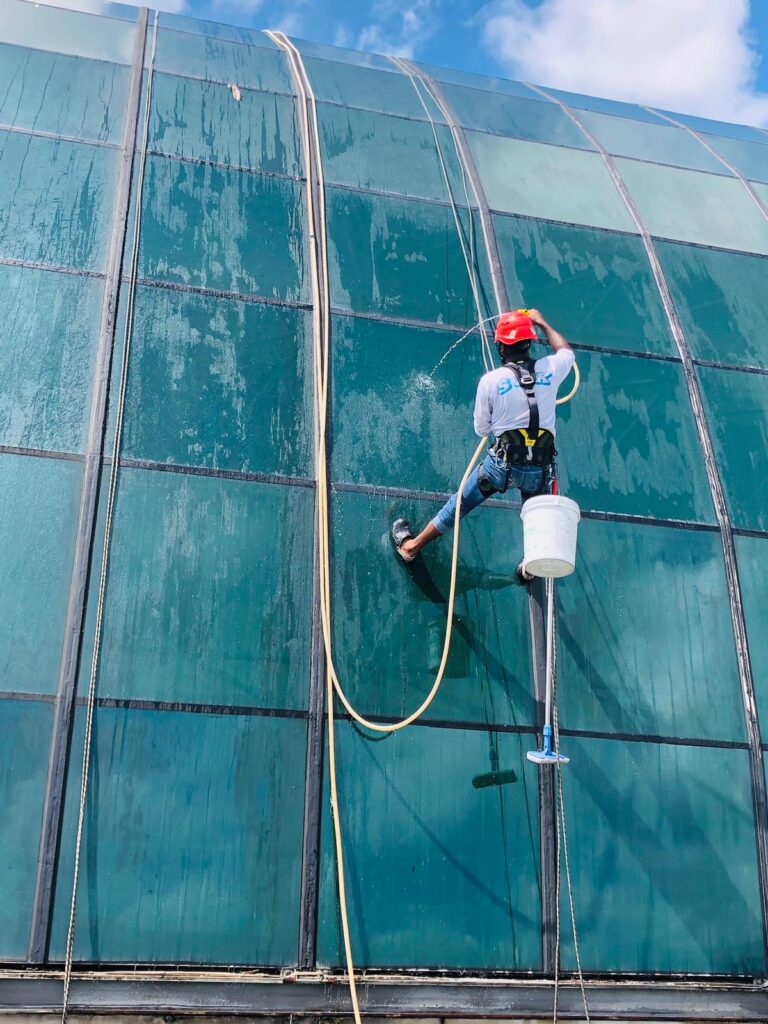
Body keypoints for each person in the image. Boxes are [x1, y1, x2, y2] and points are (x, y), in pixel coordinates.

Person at [392, 308, 575, 583]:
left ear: (501, 347)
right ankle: (529, 568)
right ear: (530, 342)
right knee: (536, 516)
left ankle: (411, 547)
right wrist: (542, 321)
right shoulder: (552, 368)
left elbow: (481, 428)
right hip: (538, 471)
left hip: (500, 469)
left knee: (459, 505)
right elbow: (566, 351)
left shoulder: (490, 382)